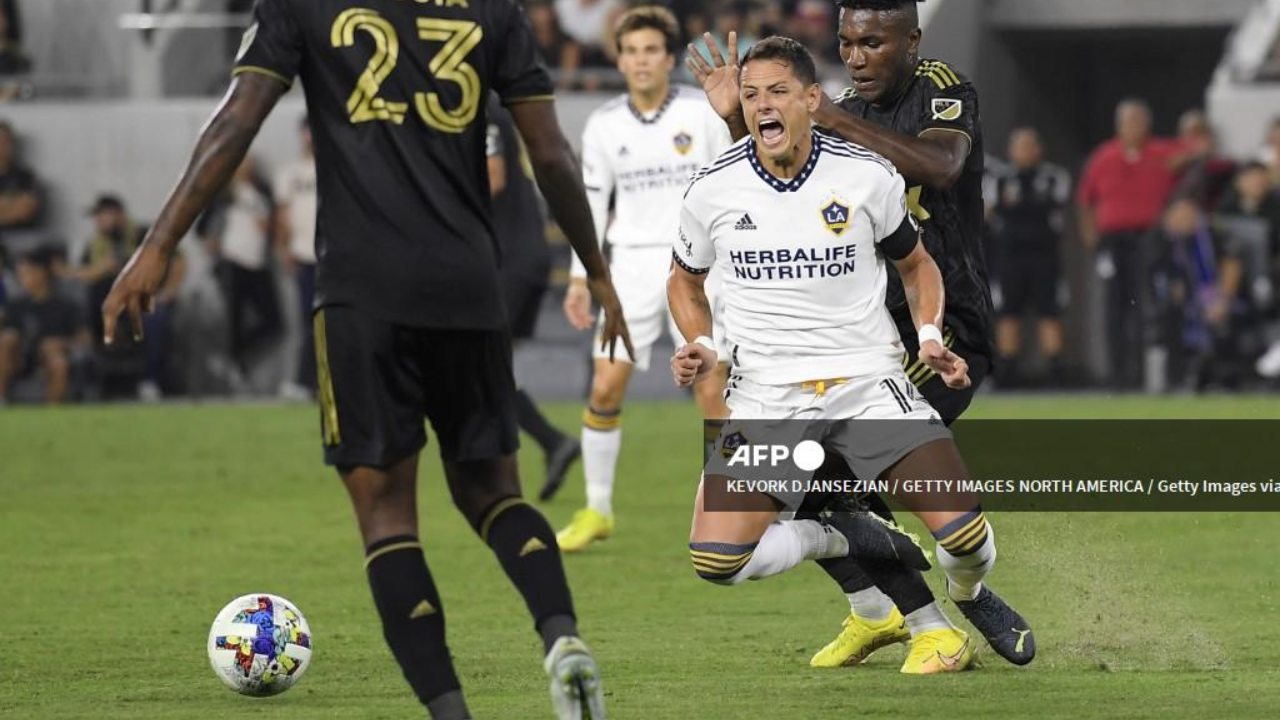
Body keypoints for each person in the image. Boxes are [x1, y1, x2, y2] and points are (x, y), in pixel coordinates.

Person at [100, 0, 633, 716]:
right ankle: (561, 636)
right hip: (468, 287)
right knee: (495, 493)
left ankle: (451, 711)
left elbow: (236, 122)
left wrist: (156, 246)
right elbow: (550, 153)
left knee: (387, 515)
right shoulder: (496, 11)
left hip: (363, 291)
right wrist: (596, 268)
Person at [686, 0, 1035, 672]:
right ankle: (890, 616)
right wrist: (745, 113)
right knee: (817, 482)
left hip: (945, 327)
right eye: (846, 43)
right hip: (854, 330)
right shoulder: (837, 108)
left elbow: (940, 168)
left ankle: (960, 594)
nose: (856, 57)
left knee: (829, 481)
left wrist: (825, 113)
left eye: (872, 43)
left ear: (910, 40)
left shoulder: (941, 89)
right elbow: (768, 184)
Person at [553, 5, 732, 552]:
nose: (640, 61)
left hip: (697, 267)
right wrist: (581, 278)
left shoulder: (702, 114)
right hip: (628, 266)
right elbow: (591, 204)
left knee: (712, 390)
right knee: (606, 385)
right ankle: (597, 509)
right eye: (630, 51)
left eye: (651, 50)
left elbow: (729, 186)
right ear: (619, 58)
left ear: (668, 57)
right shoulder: (605, 124)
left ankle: (735, 505)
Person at [485, 93, 583, 497]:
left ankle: (532, 451)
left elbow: (492, 178)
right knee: (488, 367)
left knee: (478, 364)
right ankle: (547, 445)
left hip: (511, 260)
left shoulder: (482, 113)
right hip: (522, 257)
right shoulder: (499, 111)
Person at [1077, 98, 1180, 390]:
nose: (1133, 127)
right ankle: (1118, 377)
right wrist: (1091, 240)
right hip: (1113, 241)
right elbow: (1085, 203)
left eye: (1138, 121)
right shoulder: (1104, 156)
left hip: (1151, 239)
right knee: (1115, 308)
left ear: (1148, 124)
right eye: (1128, 121)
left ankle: (1145, 376)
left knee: (1147, 305)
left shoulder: (1163, 152)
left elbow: (1197, 157)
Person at [986, 127, 1071, 387]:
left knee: (1049, 311)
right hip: (1010, 256)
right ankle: (1006, 371)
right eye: (1019, 145)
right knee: (1008, 312)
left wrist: (1019, 208)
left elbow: (1055, 207)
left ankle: (1056, 370)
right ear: (1011, 150)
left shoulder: (1054, 176)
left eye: (1030, 145)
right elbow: (988, 213)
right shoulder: (999, 179)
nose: (1025, 151)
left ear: (1039, 148)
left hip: (1044, 256)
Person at [77, 194, 183, 400]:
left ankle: (150, 379)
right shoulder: (95, 245)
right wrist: (103, 268)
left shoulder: (144, 235)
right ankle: (94, 380)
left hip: (146, 300)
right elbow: (83, 274)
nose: (98, 221)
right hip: (111, 306)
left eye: (102, 215)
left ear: (117, 214)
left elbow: (178, 261)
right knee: (89, 310)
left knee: (156, 319)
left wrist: (169, 290)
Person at [205, 155, 282, 386]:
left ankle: (236, 357)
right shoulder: (224, 192)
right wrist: (213, 242)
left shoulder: (263, 191)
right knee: (233, 319)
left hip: (258, 262)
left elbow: (273, 223)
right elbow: (205, 226)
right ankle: (234, 363)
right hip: (233, 260)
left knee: (274, 322)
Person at [0, 248, 87, 404]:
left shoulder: (66, 305)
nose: (22, 279)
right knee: (6, 341)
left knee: (58, 362)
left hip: (50, 357)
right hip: (21, 357)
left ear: (41, 273)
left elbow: (84, 339)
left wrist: (60, 343)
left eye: (26, 273)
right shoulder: (16, 305)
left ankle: (51, 411)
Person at [273, 116, 319, 399]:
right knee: (308, 322)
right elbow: (282, 216)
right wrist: (282, 248)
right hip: (303, 255)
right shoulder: (289, 173)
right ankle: (305, 381)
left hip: (334, 256)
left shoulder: (338, 166)